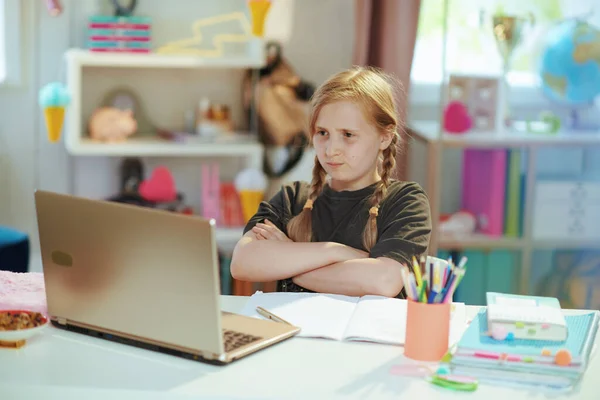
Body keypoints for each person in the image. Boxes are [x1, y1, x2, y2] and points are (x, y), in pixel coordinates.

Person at [230, 66, 432, 298]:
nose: (331, 149)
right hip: (298, 334)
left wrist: (290, 261)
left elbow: (384, 281)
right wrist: (337, 252)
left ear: (384, 137)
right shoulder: (292, 199)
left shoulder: (406, 202)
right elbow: (242, 263)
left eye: (348, 135)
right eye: (322, 133)